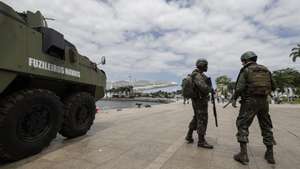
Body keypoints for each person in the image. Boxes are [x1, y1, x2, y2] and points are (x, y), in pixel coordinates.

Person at [231, 51, 276, 165]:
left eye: (242, 61)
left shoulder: (246, 70)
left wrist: (234, 98)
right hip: (264, 102)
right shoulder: (266, 69)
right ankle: (270, 154)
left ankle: (243, 154)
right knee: (266, 125)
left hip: (250, 101)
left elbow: (239, 88)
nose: (242, 64)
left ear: (245, 60)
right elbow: (273, 86)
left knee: (242, 124)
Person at [185, 59, 213, 149]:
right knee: (202, 119)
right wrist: (210, 88)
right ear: (202, 65)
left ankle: (189, 135)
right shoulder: (197, 75)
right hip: (199, 100)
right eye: (206, 65)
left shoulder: (199, 74)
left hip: (198, 100)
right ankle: (201, 141)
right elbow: (204, 88)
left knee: (197, 117)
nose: (207, 67)